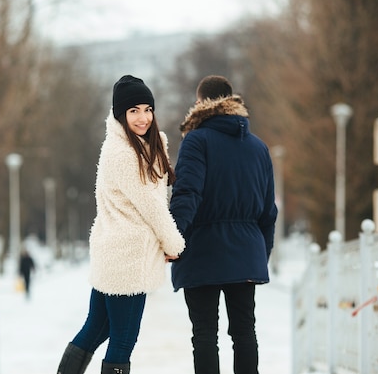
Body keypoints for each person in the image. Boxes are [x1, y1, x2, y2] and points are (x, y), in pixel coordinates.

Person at [56, 74, 185, 374]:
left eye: (147, 109)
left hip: (115, 253)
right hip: (127, 257)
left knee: (95, 330)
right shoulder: (123, 153)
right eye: (134, 111)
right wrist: (173, 244)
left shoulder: (143, 146)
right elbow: (152, 207)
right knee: (123, 340)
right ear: (120, 115)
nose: (143, 118)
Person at [169, 75, 278, 374]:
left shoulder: (196, 140)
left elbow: (187, 194)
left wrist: (173, 239)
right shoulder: (259, 148)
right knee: (244, 332)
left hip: (202, 252)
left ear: (201, 103)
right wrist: (259, 254)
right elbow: (268, 211)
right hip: (246, 252)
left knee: (205, 334)